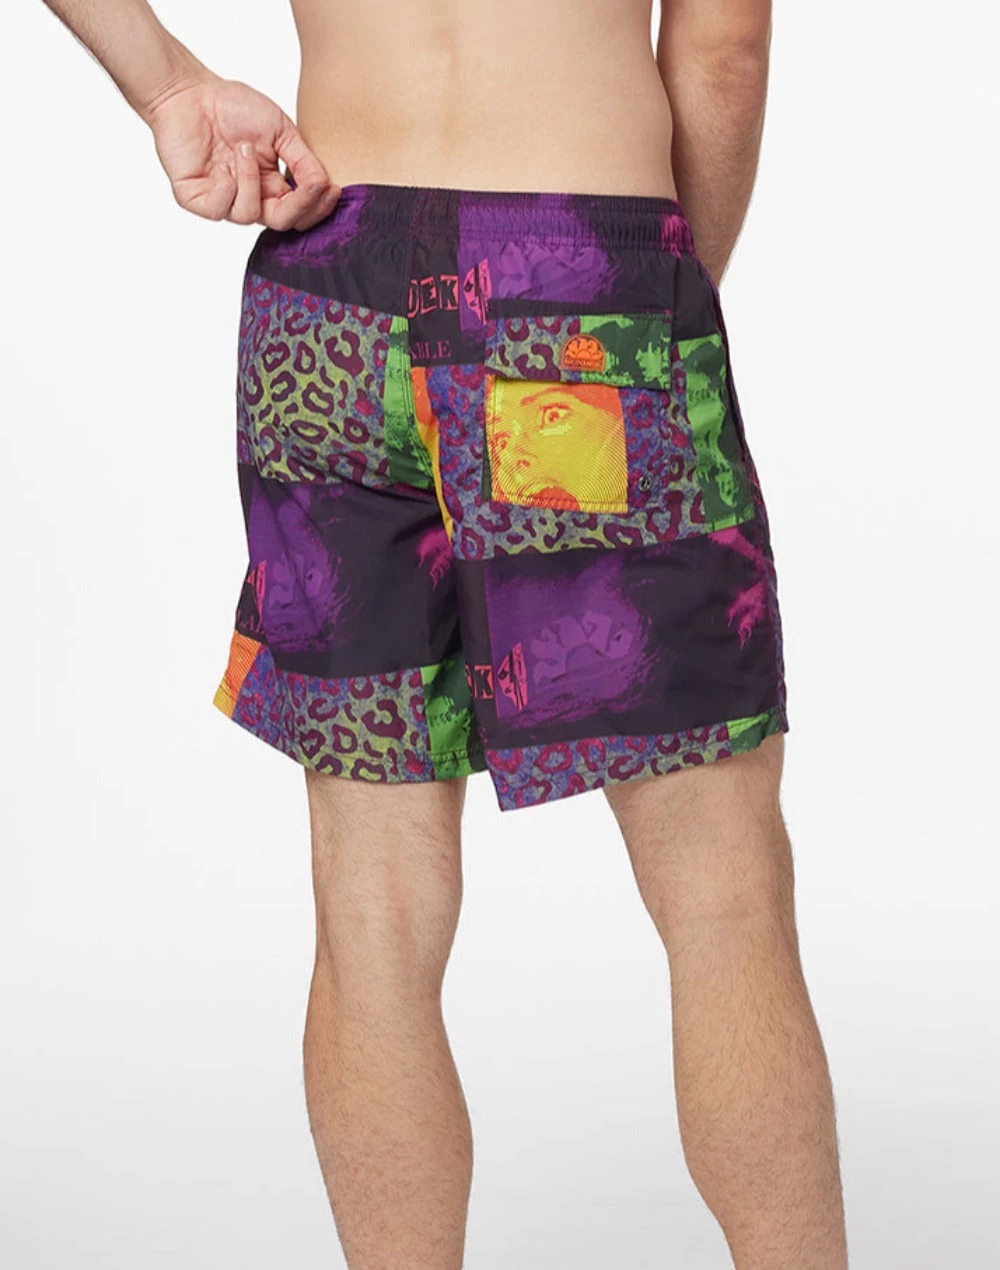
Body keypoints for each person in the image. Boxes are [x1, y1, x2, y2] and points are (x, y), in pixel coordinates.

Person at [41, 1, 850, 1266]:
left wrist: (168, 87)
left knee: (373, 906)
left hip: (327, 286)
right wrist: (650, 293)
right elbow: (722, 53)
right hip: (573, 287)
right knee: (720, 890)